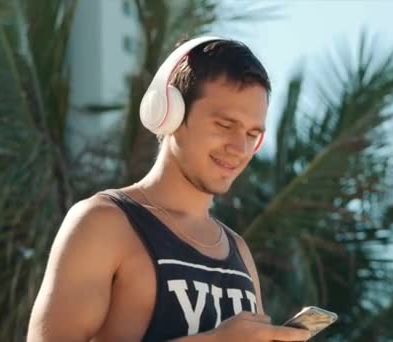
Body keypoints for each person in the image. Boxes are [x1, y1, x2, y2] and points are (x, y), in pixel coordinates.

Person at [27, 36, 311, 342]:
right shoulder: (104, 223)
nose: (239, 148)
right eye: (224, 125)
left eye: (252, 134)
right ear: (170, 112)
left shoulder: (238, 251)